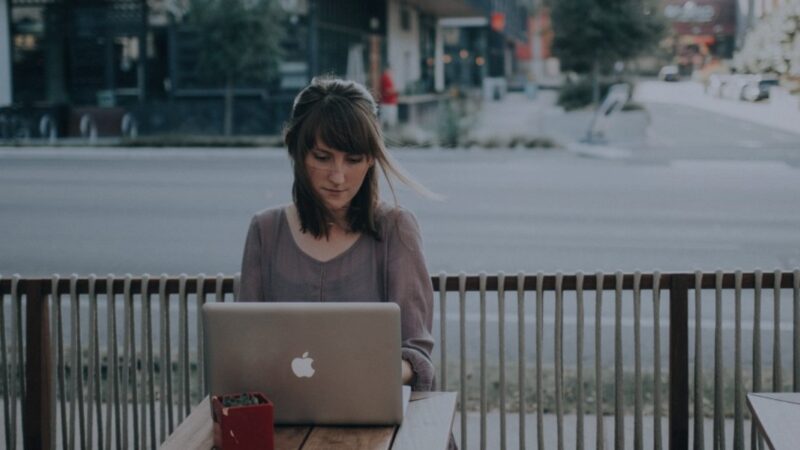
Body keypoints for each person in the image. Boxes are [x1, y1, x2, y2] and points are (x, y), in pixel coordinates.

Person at [237, 77, 435, 392]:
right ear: (296, 152)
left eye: (353, 160)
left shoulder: (396, 228)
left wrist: (365, 376)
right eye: (322, 157)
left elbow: (416, 354)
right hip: (286, 416)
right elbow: (244, 345)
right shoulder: (265, 230)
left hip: (378, 419)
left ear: (371, 159)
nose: (338, 177)